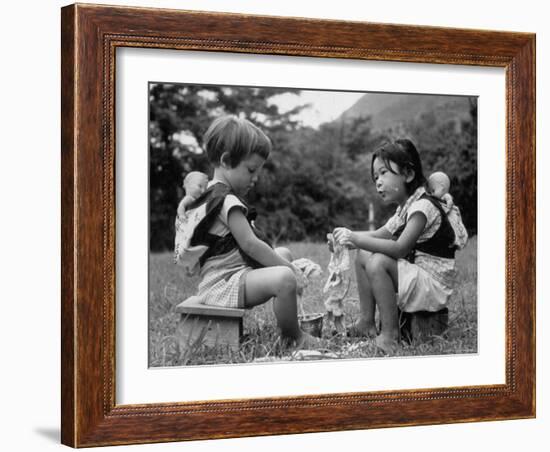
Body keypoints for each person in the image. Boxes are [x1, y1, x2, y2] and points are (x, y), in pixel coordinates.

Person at [178, 114, 322, 348]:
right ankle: (293, 337)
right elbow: (250, 244)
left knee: (283, 253)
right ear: (226, 161)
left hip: (232, 276)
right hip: (223, 285)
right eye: (251, 170)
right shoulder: (226, 201)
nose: (255, 178)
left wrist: (285, 261)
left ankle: (288, 321)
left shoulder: (214, 194)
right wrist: (291, 270)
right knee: (285, 278)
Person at [333, 139, 465, 353]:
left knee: (379, 262)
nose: (378, 182)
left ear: (408, 174)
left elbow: (400, 248)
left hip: (433, 284)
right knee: (365, 253)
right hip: (418, 276)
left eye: (384, 173)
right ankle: (366, 322)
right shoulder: (406, 207)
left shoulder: (422, 207)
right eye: (375, 176)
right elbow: (377, 235)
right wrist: (345, 239)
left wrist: (355, 238)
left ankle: (390, 336)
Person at [174, 171, 209, 265]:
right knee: (184, 241)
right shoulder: (189, 198)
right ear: (188, 186)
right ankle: (181, 254)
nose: (203, 191)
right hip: (184, 222)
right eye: (199, 186)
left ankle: (190, 258)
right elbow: (181, 206)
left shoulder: (198, 200)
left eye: (205, 188)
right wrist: (181, 215)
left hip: (191, 224)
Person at [427, 172, 468, 249]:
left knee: (453, 226)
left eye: (433, 191)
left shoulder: (446, 196)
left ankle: (455, 240)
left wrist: (446, 209)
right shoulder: (437, 200)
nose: (431, 194)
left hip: (449, 214)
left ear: (442, 188)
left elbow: (449, 201)